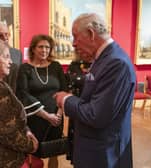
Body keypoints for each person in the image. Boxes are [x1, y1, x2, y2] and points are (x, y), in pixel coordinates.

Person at [54, 13, 136, 168]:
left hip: (104, 156)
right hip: (94, 151)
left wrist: (65, 99)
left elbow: (96, 115)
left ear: (91, 33)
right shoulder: (104, 59)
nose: (73, 44)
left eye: (75, 37)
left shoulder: (116, 63)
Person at [16, 34, 67, 168]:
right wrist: (46, 115)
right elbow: (23, 94)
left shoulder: (56, 66)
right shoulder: (25, 69)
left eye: (47, 47)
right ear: (33, 49)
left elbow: (64, 90)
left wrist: (58, 114)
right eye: (41, 47)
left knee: (54, 151)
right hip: (35, 117)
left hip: (56, 117)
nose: (44, 50)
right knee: (34, 153)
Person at [0, 40, 38, 167]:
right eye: (6, 57)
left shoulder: (3, 84)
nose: (11, 61)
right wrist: (31, 145)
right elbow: (8, 133)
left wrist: (26, 130)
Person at [66, 56, 91, 163]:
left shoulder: (100, 64)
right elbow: (69, 82)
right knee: (77, 144)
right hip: (76, 108)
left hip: (93, 109)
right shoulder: (74, 64)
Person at [0, 21, 22, 92]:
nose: (5, 38)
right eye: (0, 35)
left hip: (12, 93)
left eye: (6, 34)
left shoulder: (17, 53)